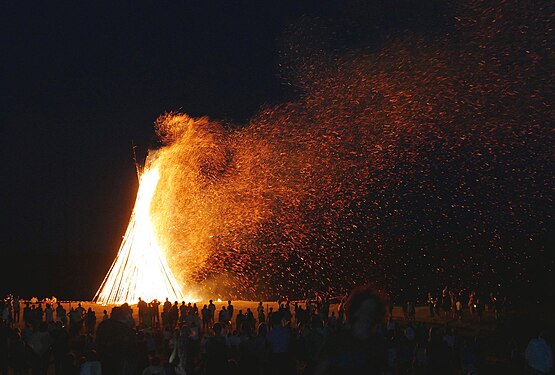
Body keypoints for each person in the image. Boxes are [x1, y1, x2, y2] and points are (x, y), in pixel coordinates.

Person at [315, 284, 388, 374]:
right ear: (356, 311)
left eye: (372, 311)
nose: (369, 314)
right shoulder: (338, 340)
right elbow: (320, 369)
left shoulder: (377, 345)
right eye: (365, 309)